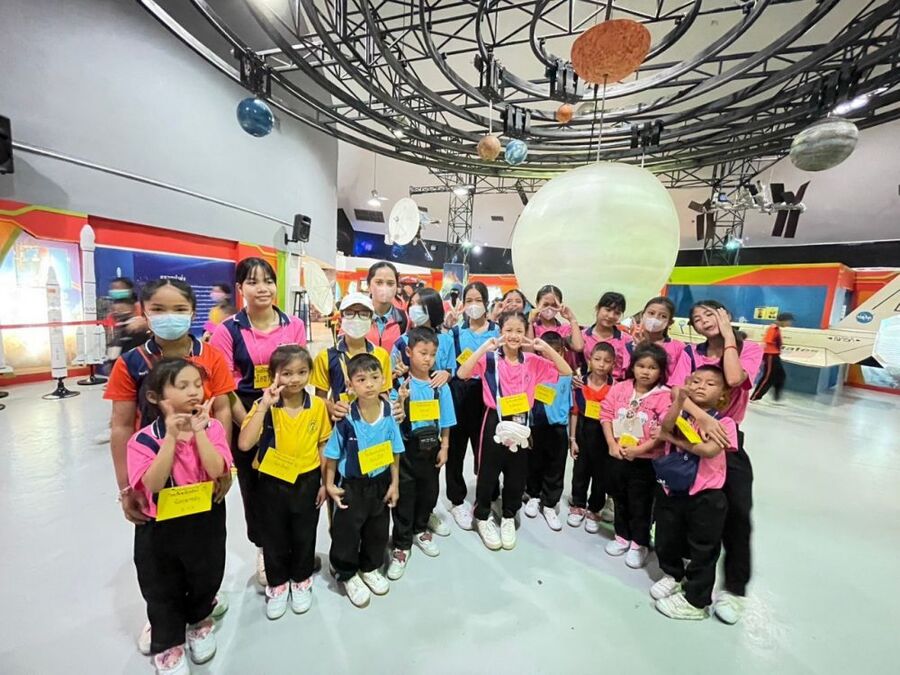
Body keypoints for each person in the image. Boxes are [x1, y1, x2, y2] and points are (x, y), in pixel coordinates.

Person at [105, 278, 234, 655]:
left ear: (193, 311)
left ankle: (201, 612)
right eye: (158, 309)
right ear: (144, 312)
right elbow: (121, 425)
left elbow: (223, 410)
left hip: (202, 477)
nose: (169, 317)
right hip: (157, 479)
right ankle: (164, 618)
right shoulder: (131, 363)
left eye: (179, 309)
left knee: (207, 555)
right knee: (157, 562)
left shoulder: (210, 356)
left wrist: (226, 469)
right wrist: (126, 487)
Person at [126, 358, 231, 675]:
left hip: (205, 519)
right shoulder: (143, 440)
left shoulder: (212, 428)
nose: (194, 392)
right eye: (182, 386)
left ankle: (199, 619)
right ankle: (168, 641)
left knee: (206, 573)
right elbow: (153, 484)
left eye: (197, 384)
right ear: (155, 397)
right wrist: (171, 438)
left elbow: (216, 469)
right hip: (161, 525)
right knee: (161, 582)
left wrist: (199, 433)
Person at [209, 257, 307, 587]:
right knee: (255, 487)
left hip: (288, 412)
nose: (262, 288)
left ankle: (290, 545)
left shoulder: (294, 325)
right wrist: (252, 422)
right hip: (247, 411)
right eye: (252, 282)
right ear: (240, 288)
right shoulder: (227, 331)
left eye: (268, 280)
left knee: (289, 481)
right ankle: (265, 548)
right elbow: (225, 387)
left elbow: (299, 371)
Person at [457, 311, 572, 551]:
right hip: (494, 419)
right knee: (488, 471)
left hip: (521, 420)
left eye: (519, 331)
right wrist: (484, 348)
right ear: (501, 332)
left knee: (517, 472)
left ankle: (509, 514)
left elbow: (566, 372)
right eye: (508, 330)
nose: (513, 335)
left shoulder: (532, 360)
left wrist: (544, 348)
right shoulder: (490, 359)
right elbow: (462, 373)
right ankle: (482, 515)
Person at [682, 299, 763, 624]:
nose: (704, 320)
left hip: (728, 439)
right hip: (690, 434)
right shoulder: (690, 354)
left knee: (738, 515)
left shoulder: (749, 349)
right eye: (697, 318)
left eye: (710, 314)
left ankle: (734, 589)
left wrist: (729, 335)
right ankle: (687, 577)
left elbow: (733, 378)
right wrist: (704, 417)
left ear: (725, 315)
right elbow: (677, 392)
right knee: (694, 513)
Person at [237, 345, 331, 619]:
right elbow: (244, 444)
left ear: (310, 373)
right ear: (273, 376)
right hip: (271, 481)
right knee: (273, 535)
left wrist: (324, 482)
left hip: (307, 480)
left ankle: (301, 580)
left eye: (302, 372)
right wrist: (264, 405)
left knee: (304, 532)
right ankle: (277, 585)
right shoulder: (264, 405)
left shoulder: (317, 406)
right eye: (287, 373)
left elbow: (323, 444)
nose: (295, 379)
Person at [650, 366, 736, 621]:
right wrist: (679, 401)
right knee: (667, 535)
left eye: (710, 383)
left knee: (703, 548)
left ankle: (696, 601)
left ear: (722, 394)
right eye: (696, 381)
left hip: (705, 495)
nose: (701, 386)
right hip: (672, 488)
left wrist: (675, 441)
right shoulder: (683, 416)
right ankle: (673, 575)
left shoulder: (725, 423)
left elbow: (709, 450)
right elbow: (666, 426)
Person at [324, 353, 403, 608]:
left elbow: (395, 451)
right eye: (361, 379)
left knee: (377, 529)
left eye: (374, 377)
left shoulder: (389, 413)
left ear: (383, 379)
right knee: (346, 531)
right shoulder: (346, 418)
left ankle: (370, 567)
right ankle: (346, 573)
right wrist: (329, 485)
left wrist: (394, 484)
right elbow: (332, 454)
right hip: (352, 486)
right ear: (350, 385)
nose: (369, 384)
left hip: (380, 483)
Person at [387, 328, 457, 580]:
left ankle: (420, 529)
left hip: (431, 450)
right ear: (408, 352)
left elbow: (446, 421)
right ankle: (401, 543)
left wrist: (445, 447)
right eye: (422, 353)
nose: (428, 359)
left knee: (429, 492)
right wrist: (399, 404)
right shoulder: (399, 385)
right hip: (406, 451)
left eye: (432, 354)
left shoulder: (440, 387)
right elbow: (392, 420)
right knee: (405, 497)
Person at [601, 343, 671, 569]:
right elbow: (606, 414)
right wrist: (611, 443)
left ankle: (639, 543)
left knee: (641, 503)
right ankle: (622, 536)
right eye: (641, 366)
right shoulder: (621, 388)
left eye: (652, 367)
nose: (646, 372)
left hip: (645, 462)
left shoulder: (664, 396)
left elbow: (663, 431)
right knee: (619, 497)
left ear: (661, 371)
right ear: (633, 367)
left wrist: (639, 451)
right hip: (618, 454)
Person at [443, 281, 500, 530]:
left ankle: (489, 494)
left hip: (487, 396)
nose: (473, 305)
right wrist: (446, 327)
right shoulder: (455, 333)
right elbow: (447, 365)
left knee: (486, 449)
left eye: (478, 300)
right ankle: (457, 500)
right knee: (456, 449)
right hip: (459, 393)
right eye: (469, 301)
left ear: (486, 303)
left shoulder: (497, 332)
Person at [310, 292, 393, 422]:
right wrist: (333, 408)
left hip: (373, 422)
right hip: (341, 422)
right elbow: (320, 398)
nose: (356, 319)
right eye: (349, 313)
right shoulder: (325, 357)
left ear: (371, 320)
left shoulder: (381, 355)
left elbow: (384, 392)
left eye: (363, 314)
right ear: (341, 318)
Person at [523, 331, 573, 531]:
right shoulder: (534, 371)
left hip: (557, 428)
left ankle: (550, 503)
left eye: (555, 352)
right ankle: (534, 495)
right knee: (533, 463)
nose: (549, 357)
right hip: (535, 426)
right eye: (544, 353)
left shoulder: (564, 375)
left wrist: (548, 351)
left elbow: (567, 370)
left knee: (555, 467)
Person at [567, 342, 616, 531]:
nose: (601, 364)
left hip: (604, 437)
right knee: (580, 471)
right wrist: (572, 439)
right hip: (582, 432)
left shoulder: (615, 387)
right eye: (597, 359)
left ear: (613, 364)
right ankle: (578, 505)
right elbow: (574, 413)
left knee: (600, 476)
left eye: (607, 361)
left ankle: (595, 509)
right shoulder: (580, 383)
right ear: (590, 360)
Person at [624, 296, 692, 387]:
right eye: (651, 313)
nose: (655, 318)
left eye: (663, 316)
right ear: (642, 315)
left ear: (670, 322)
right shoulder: (630, 345)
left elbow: (679, 379)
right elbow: (625, 375)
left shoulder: (679, 347)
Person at [581, 292, 633, 381]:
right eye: (608, 310)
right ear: (598, 308)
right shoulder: (582, 336)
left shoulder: (627, 340)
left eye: (617, 313)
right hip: (589, 385)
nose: (611, 316)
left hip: (618, 386)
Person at [527, 284, 585, 356]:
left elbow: (579, 347)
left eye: (554, 305)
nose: (549, 309)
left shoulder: (565, 329)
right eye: (545, 304)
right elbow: (528, 353)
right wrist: (530, 322)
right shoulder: (532, 328)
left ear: (560, 305)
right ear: (537, 303)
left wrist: (572, 319)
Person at [365, 261, 408, 353]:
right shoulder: (357, 316)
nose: (384, 288)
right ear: (369, 286)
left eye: (390, 283)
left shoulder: (404, 318)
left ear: (396, 287)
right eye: (379, 282)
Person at [751, 312, 793, 404]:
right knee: (768, 377)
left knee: (781, 375)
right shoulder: (773, 328)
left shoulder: (777, 328)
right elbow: (767, 341)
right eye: (789, 321)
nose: (790, 324)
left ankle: (776, 399)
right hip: (770, 355)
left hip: (775, 355)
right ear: (783, 320)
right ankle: (755, 397)